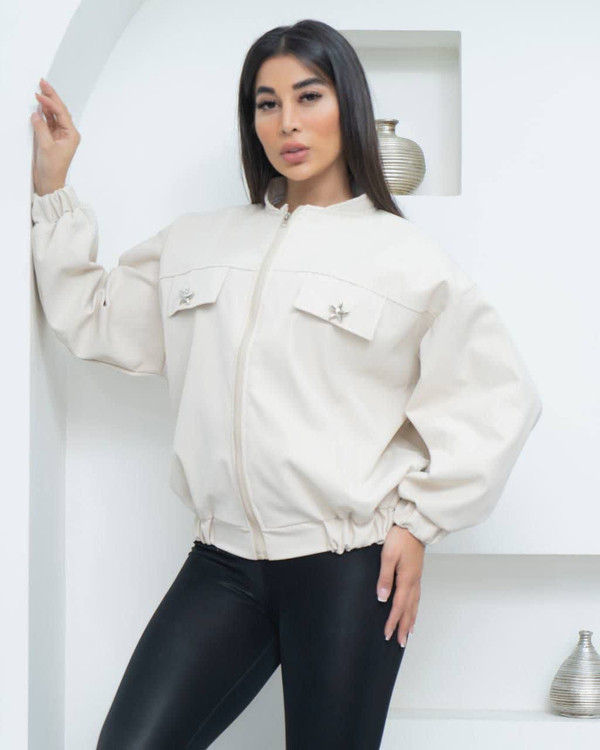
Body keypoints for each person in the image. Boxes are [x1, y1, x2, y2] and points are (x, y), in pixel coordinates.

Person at [30, 18, 542, 750]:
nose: (287, 122)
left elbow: (498, 397)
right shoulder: (199, 242)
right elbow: (96, 316)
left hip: (349, 568)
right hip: (222, 564)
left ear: (348, 105)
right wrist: (53, 191)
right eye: (266, 103)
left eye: (308, 96)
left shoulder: (406, 259)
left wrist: (419, 522)